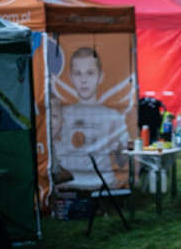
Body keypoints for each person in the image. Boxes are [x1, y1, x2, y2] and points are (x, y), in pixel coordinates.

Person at [54, 47, 128, 189]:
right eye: (78, 73)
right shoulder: (61, 114)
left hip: (103, 182)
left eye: (90, 73)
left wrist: (118, 149)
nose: (83, 80)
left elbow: (123, 161)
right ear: (71, 77)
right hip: (68, 182)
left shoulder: (114, 117)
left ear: (100, 76)